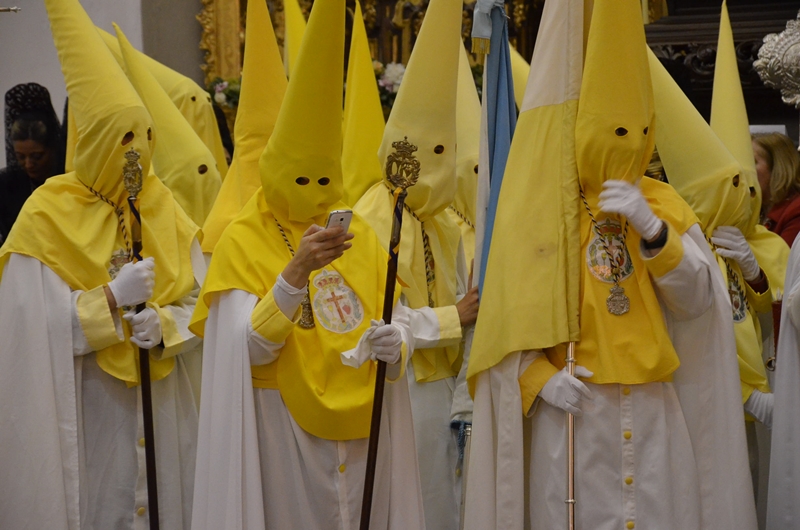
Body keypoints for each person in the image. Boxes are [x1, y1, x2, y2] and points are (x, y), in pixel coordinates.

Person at [464, 1, 757, 529]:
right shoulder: (540, 206)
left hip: (652, 410)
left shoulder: (663, 203)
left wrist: (655, 233)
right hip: (572, 415)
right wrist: (539, 380)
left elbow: (696, 304)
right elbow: (501, 329)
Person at [188, 0, 425, 528]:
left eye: (324, 179)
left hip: (365, 420)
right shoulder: (242, 238)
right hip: (284, 426)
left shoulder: (357, 231)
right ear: (274, 171)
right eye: (300, 179)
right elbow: (243, 352)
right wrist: (294, 274)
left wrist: (397, 341)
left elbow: (398, 309)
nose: (314, 193)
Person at [0, 0, 205, 528]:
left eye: (143, 136)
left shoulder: (164, 207)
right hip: (92, 406)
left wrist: (163, 325)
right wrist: (109, 300)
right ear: (90, 138)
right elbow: (25, 332)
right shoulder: (45, 213)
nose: (135, 155)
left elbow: (199, 301)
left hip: (161, 405)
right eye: (122, 138)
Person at [356, 0, 478, 528]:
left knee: (445, 497)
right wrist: (458, 317)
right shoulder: (372, 216)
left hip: (443, 382)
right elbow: (380, 318)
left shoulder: (444, 221)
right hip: (397, 385)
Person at [0, 83, 64, 240]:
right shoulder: (6, 185)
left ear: (52, 149)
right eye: (20, 157)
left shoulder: (68, 181)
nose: (28, 164)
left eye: (37, 156)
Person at [754, 133, 800, 245]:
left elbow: (783, 260)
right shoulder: (756, 208)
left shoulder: (796, 210)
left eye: (752, 162)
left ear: (777, 167)